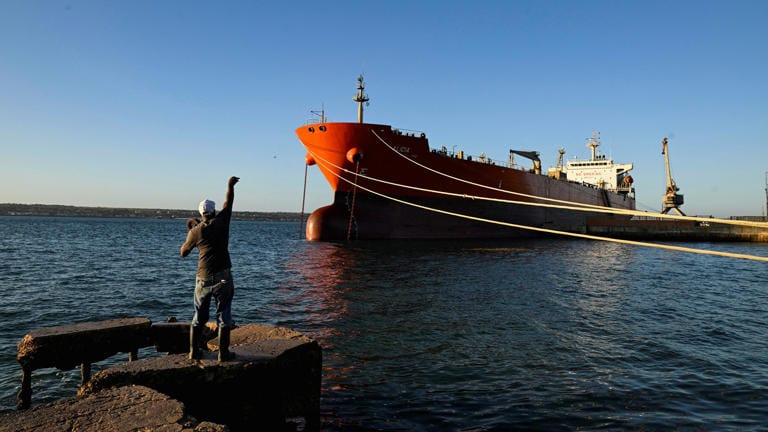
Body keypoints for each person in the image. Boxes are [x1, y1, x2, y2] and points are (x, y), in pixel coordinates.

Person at [181, 176, 240, 361]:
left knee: (199, 317)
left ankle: (194, 351)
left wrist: (192, 232)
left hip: (203, 278)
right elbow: (228, 202)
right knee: (224, 316)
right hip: (223, 277)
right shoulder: (222, 222)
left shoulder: (195, 231)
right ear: (213, 211)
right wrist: (230, 185)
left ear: (200, 213)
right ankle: (223, 354)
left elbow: (183, 252)